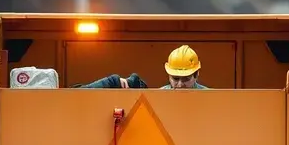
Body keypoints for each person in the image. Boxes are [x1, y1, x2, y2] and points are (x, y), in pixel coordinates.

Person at [78, 45, 209, 89]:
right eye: (175, 79)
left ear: (196, 74)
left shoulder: (211, 99)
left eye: (185, 79)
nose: (180, 85)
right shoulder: (158, 98)